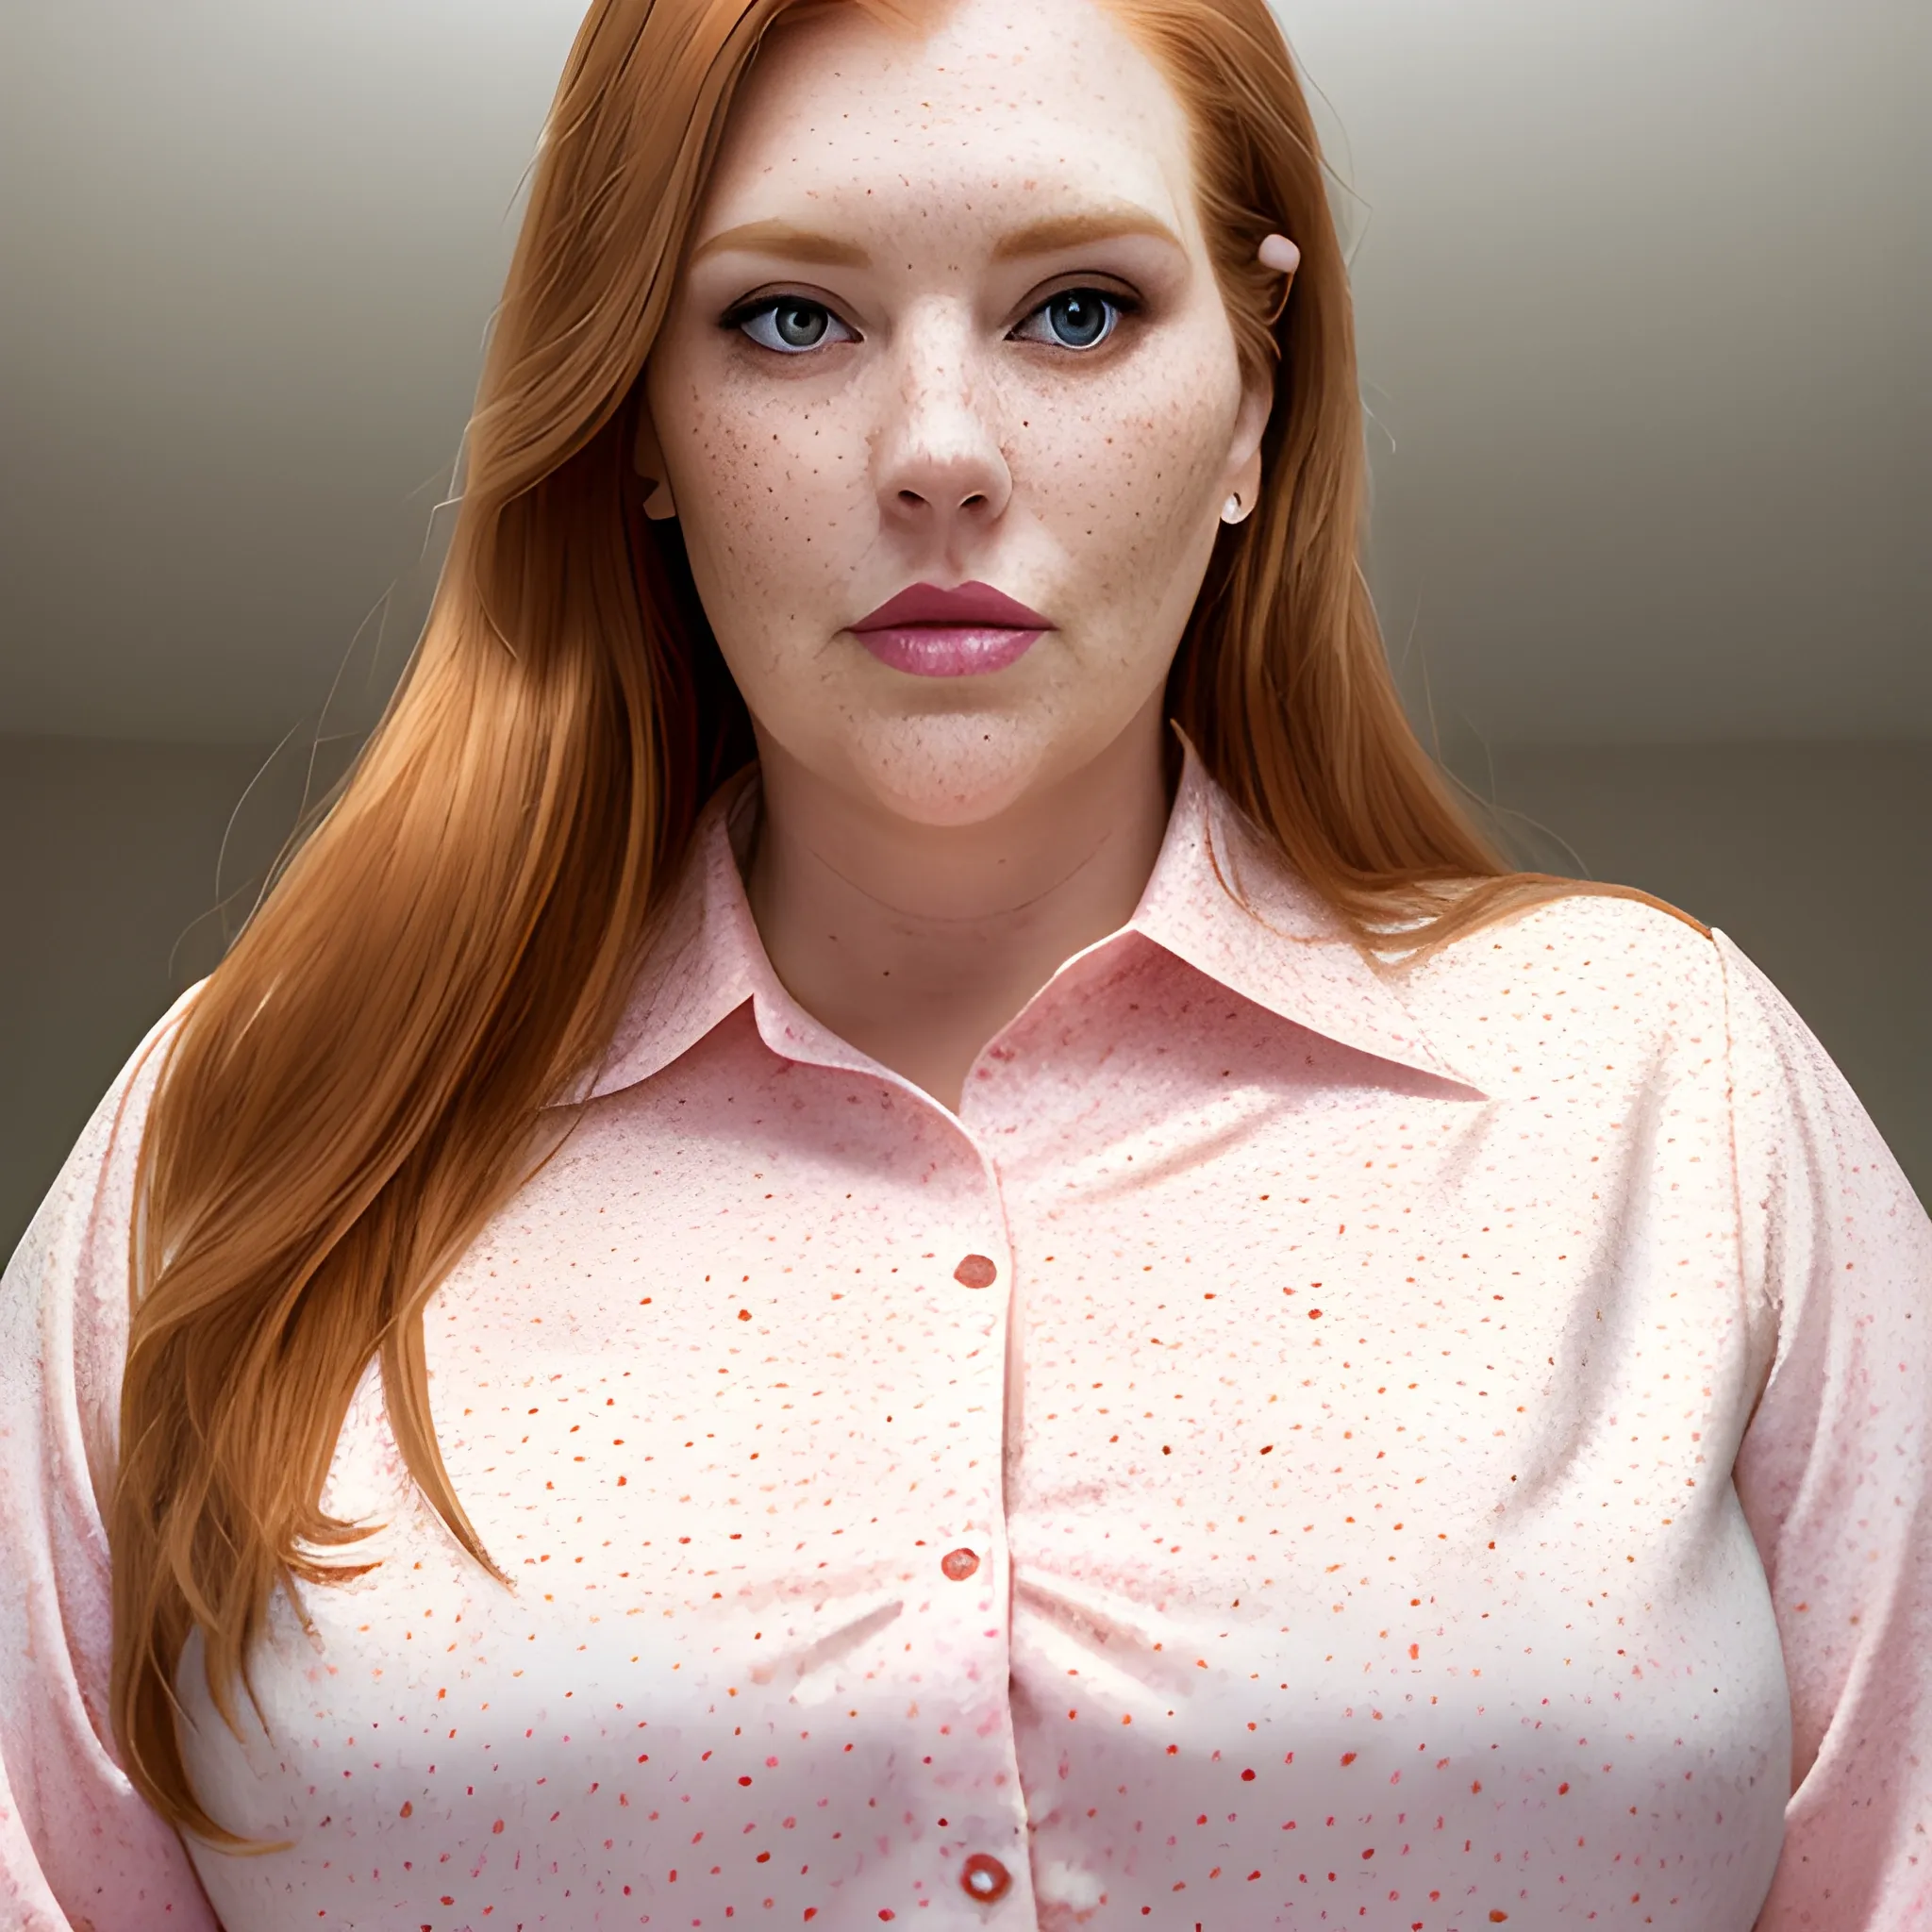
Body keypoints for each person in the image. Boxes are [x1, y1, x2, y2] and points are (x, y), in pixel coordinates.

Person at [3, 0, 1926, 1924]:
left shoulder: (1665, 1080)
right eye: (787, 318)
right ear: (641, 421)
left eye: (1076, 309)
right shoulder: (240, 1132)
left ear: (1254, 391)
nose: (936, 455)